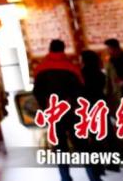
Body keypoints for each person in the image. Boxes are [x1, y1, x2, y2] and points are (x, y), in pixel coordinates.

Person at [34, 40, 101, 181]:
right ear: (63, 49)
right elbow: (80, 90)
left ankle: (65, 177)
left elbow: (37, 92)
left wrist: (45, 108)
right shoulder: (71, 67)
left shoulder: (41, 68)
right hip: (72, 111)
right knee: (82, 144)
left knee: (60, 146)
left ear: (49, 49)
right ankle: (93, 176)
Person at [104, 38, 123, 110]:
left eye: (109, 48)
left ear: (115, 48)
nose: (107, 51)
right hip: (117, 91)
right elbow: (108, 78)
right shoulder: (110, 61)